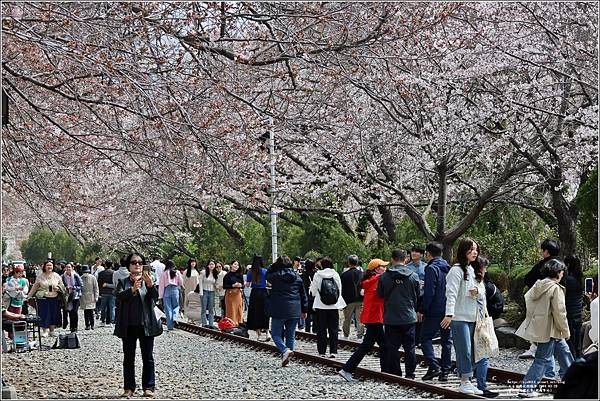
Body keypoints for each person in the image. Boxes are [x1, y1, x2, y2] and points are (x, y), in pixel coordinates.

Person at [516, 259, 574, 398]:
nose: (562, 274)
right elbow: (560, 313)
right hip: (552, 330)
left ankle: (574, 381)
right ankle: (527, 388)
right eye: (562, 271)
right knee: (542, 359)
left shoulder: (538, 286)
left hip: (544, 329)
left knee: (565, 353)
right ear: (558, 272)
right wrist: (566, 330)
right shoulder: (555, 288)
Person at [114, 253, 163, 398]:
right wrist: (132, 289)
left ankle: (148, 387)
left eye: (140, 262)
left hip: (146, 324)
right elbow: (119, 297)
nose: (137, 265)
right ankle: (129, 388)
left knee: (148, 357)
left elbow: (154, 298)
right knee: (128, 358)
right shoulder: (123, 281)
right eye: (134, 262)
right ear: (128, 265)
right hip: (128, 325)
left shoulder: (150, 279)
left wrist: (150, 286)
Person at [441, 238, 486, 395]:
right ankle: (464, 381)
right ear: (463, 251)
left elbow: (482, 292)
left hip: (473, 317)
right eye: (471, 249)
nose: (475, 252)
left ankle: (468, 380)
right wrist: (449, 314)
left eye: (476, 249)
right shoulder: (456, 270)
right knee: (464, 350)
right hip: (459, 318)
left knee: (473, 351)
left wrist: (478, 292)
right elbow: (451, 294)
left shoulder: (474, 269)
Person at [338, 259, 388, 382]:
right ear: (377, 269)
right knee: (372, 345)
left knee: (379, 345)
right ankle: (347, 369)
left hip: (373, 317)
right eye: (383, 267)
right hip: (374, 317)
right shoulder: (376, 280)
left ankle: (385, 372)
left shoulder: (371, 280)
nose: (385, 268)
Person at [377, 249, 419, 378]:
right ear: (405, 259)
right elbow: (417, 295)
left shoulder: (384, 276)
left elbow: (380, 294)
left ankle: (396, 373)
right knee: (410, 347)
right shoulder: (413, 276)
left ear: (392, 259)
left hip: (391, 317)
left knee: (392, 347)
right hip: (409, 317)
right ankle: (410, 373)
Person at [520, 239, 561, 360]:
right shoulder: (562, 264)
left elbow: (528, 279)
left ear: (547, 252)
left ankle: (534, 349)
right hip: (558, 302)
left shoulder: (542, 265)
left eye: (543, 250)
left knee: (539, 328)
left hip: (542, 302)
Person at [418, 242, 452, 382]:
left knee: (425, 338)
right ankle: (445, 372)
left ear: (428, 254)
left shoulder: (431, 268)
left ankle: (433, 365)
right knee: (446, 341)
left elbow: (429, 292)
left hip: (434, 310)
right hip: (447, 309)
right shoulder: (448, 267)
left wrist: (422, 309)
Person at [266, 255, 307, 366]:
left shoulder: (275, 276)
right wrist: (304, 310)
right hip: (295, 309)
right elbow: (303, 295)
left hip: (279, 309)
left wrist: (273, 265)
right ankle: (287, 358)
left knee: (275, 334)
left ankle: (285, 351)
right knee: (290, 334)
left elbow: (267, 275)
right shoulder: (297, 277)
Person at [310, 257, 346, 358]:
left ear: (322, 265)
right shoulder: (336, 274)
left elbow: (313, 292)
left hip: (320, 306)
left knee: (321, 329)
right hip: (334, 306)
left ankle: (322, 351)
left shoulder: (318, 275)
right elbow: (339, 289)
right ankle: (333, 351)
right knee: (333, 329)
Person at [26, 259, 63, 338]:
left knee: (53, 314)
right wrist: (28, 296)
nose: (49, 267)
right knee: (44, 314)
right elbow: (34, 287)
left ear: (53, 266)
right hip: (43, 298)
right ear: (44, 267)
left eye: (51, 265)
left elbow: (62, 286)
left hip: (54, 298)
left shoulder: (57, 275)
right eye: (48, 265)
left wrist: (58, 289)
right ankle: (45, 330)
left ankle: (52, 331)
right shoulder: (40, 276)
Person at [246, 254, 270, 341]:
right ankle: (267, 333)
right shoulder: (265, 271)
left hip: (255, 293)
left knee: (255, 313)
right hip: (264, 293)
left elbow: (248, 285)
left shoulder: (250, 272)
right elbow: (268, 282)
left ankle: (259, 334)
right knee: (264, 312)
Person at [563, 255, 584, 359]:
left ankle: (573, 366)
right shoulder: (579, 278)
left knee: (570, 343)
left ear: (568, 265)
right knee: (577, 344)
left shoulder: (567, 280)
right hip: (578, 314)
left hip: (569, 314)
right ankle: (579, 362)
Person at [340, 254, 364, 340]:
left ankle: (346, 335)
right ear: (357, 262)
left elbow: (341, 289)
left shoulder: (344, 275)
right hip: (360, 299)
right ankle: (360, 335)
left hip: (348, 300)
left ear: (349, 263)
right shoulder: (362, 274)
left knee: (347, 319)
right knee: (360, 319)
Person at [158, 260, 184, 331]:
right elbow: (181, 282)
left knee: (168, 308)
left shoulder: (164, 273)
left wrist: (160, 297)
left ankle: (170, 326)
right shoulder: (177, 272)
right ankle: (175, 318)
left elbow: (161, 286)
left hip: (167, 290)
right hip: (175, 290)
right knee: (176, 306)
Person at [61, 262, 83, 333]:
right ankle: (71, 327)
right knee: (70, 311)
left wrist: (73, 287)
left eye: (69, 267)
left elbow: (81, 285)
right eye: (67, 267)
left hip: (75, 296)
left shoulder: (76, 275)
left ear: (72, 268)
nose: (68, 269)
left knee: (75, 311)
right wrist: (65, 288)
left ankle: (75, 327)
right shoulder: (63, 276)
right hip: (67, 296)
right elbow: (61, 285)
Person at [223, 260, 245, 325]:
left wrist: (241, 285)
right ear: (231, 265)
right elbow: (225, 286)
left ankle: (239, 323)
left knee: (238, 309)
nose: (236, 266)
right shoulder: (227, 275)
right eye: (235, 264)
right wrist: (232, 285)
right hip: (230, 294)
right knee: (231, 310)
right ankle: (230, 324)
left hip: (238, 294)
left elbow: (243, 285)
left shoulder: (240, 275)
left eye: (237, 265)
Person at [78, 265, 98, 330]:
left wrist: (96, 296)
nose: (85, 274)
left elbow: (96, 288)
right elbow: (79, 287)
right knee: (85, 312)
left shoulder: (93, 278)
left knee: (91, 311)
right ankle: (87, 325)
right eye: (84, 272)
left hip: (91, 296)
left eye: (86, 272)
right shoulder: (80, 278)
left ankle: (92, 324)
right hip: (83, 297)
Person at [300, 259, 318, 333]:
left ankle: (307, 331)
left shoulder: (302, 275)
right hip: (315, 297)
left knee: (307, 316)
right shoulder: (316, 274)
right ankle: (315, 330)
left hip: (306, 297)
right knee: (315, 316)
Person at [97, 260, 116, 327]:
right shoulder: (114, 273)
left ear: (105, 265)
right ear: (111, 265)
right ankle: (112, 321)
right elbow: (115, 283)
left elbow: (99, 283)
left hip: (104, 292)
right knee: (112, 307)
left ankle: (103, 321)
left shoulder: (101, 273)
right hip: (112, 292)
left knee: (103, 307)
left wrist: (100, 292)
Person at [199, 260, 218, 329]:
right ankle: (204, 324)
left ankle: (211, 324)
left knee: (211, 308)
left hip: (212, 292)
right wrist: (201, 293)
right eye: (210, 264)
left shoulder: (215, 274)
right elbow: (200, 283)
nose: (211, 265)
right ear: (207, 265)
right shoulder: (203, 272)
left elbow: (216, 284)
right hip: (204, 291)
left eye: (213, 264)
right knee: (203, 308)